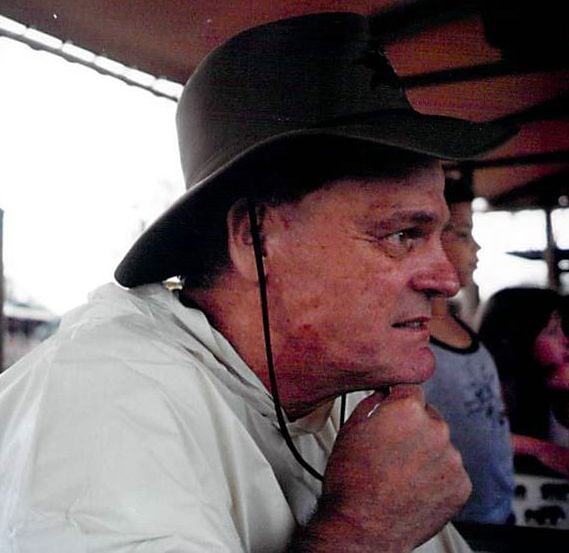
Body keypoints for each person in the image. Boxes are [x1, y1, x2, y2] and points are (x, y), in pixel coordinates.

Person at [0, 12, 517, 553]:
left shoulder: (345, 399)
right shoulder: (100, 398)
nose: (446, 280)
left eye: (439, 235)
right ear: (255, 238)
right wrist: (362, 532)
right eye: (402, 235)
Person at [423, 177, 515, 525]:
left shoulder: (458, 326)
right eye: (462, 234)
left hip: (499, 506)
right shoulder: (413, 342)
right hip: (455, 525)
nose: (476, 248)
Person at [479, 287, 569, 477]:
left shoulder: (557, 382)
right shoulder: (491, 388)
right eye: (553, 332)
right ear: (520, 340)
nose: (565, 340)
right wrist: (539, 448)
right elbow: (472, 436)